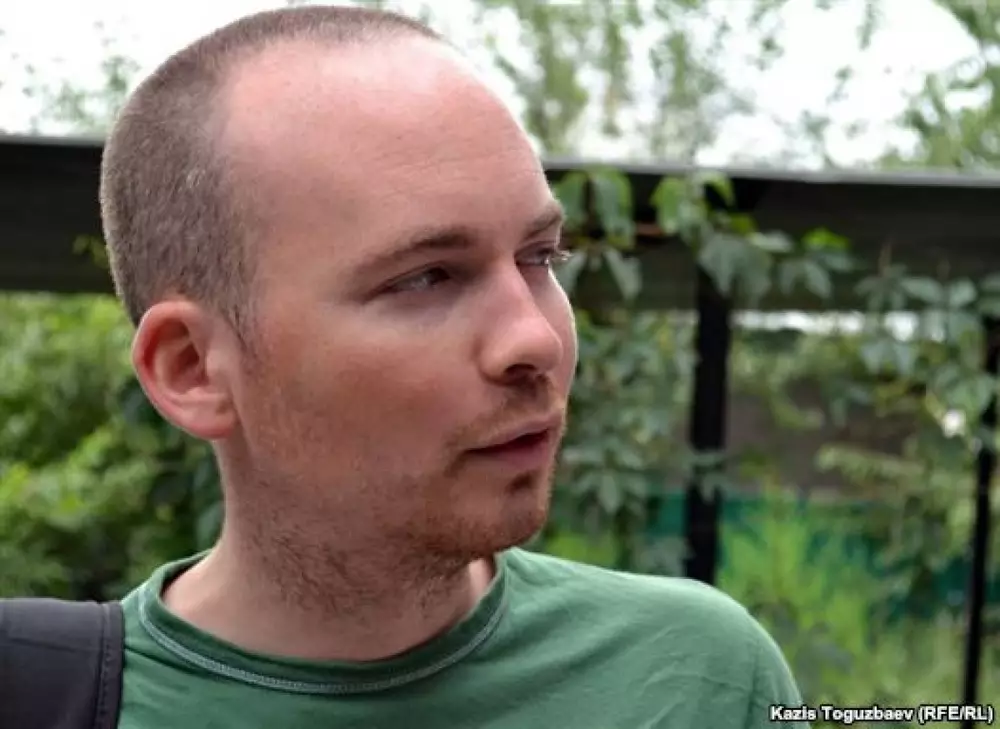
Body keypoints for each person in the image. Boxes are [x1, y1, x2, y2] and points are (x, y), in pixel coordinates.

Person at [95, 5, 808, 728]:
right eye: (426, 277)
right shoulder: (67, 702)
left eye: (540, 256)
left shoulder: (696, 680)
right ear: (193, 368)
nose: (536, 339)